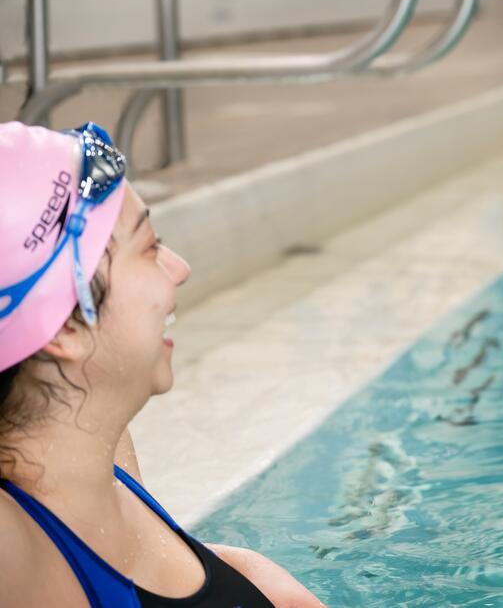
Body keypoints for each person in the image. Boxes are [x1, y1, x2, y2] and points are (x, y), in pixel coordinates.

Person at [0, 121, 325, 608]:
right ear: (64, 326)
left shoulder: (101, 451)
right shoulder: (18, 547)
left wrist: (257, 577)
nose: (179, 268)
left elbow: (152, 572)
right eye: (149, 246)